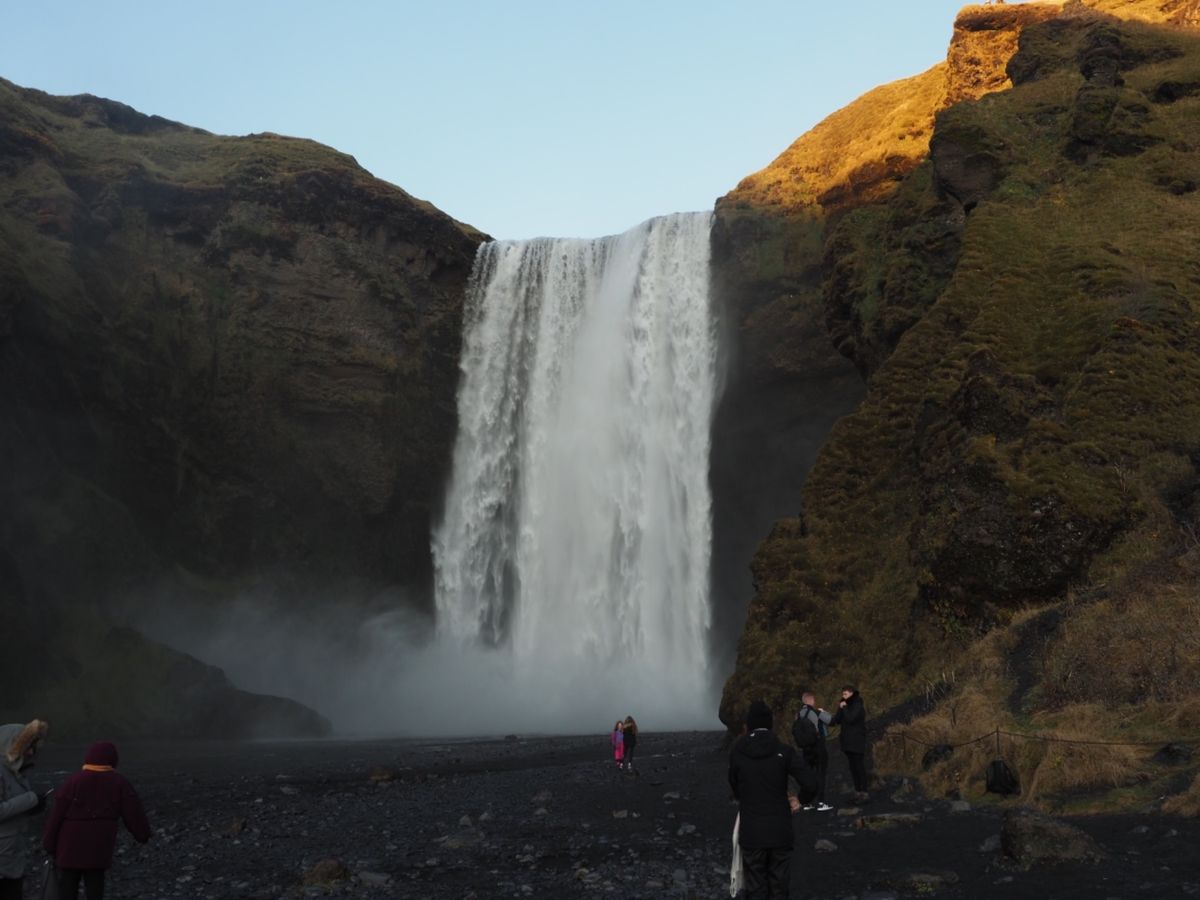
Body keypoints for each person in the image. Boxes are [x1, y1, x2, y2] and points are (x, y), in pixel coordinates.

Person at [43, 741, 151, 900]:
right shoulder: (119, 782)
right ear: (113, 759)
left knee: (67, 887)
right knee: (95, 887)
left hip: (69, 846)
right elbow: (133, 813)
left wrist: (49, 844)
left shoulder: (73, 782)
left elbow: (56, 816)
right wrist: (143, 834)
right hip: (98, 847)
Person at [728, 700, 810, 899]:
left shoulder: (738, 752)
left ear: (749, 725)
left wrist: (745, 796)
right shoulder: (784, 750)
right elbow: (811, 782)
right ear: (770, 724)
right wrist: (800, 799)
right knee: (780, 887)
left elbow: (734, 785)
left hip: (752, 830)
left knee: (755, 886)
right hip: (780, 829)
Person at [0, 719, 50, 900]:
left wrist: (33, 808)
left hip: (11, 857)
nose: (31, 752)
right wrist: (30, 800)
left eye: (33, 746)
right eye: (27, 746)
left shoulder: (16, 771)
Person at [792, 692, 833, 811]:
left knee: (808, 775)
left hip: (805, 749)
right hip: (818, 747)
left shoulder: (798, 715)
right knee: (820, 774)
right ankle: (821, 802)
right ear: (811, 701)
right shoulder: (816, 712)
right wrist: (823, 711)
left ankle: (807, 802)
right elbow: (831, 720)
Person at [830, 685, 869, 799]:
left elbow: (851, 719)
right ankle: (857, 791)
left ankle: (864, 792)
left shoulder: (857, 705)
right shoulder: (844, 705)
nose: (843, 696)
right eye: (843, 694)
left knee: (859, 766)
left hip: (857, 741)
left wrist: (844, 708)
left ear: (852, 693)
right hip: (847, 742)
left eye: (845, 694)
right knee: (852, 767)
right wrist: (823, 715)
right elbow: (836, 720)